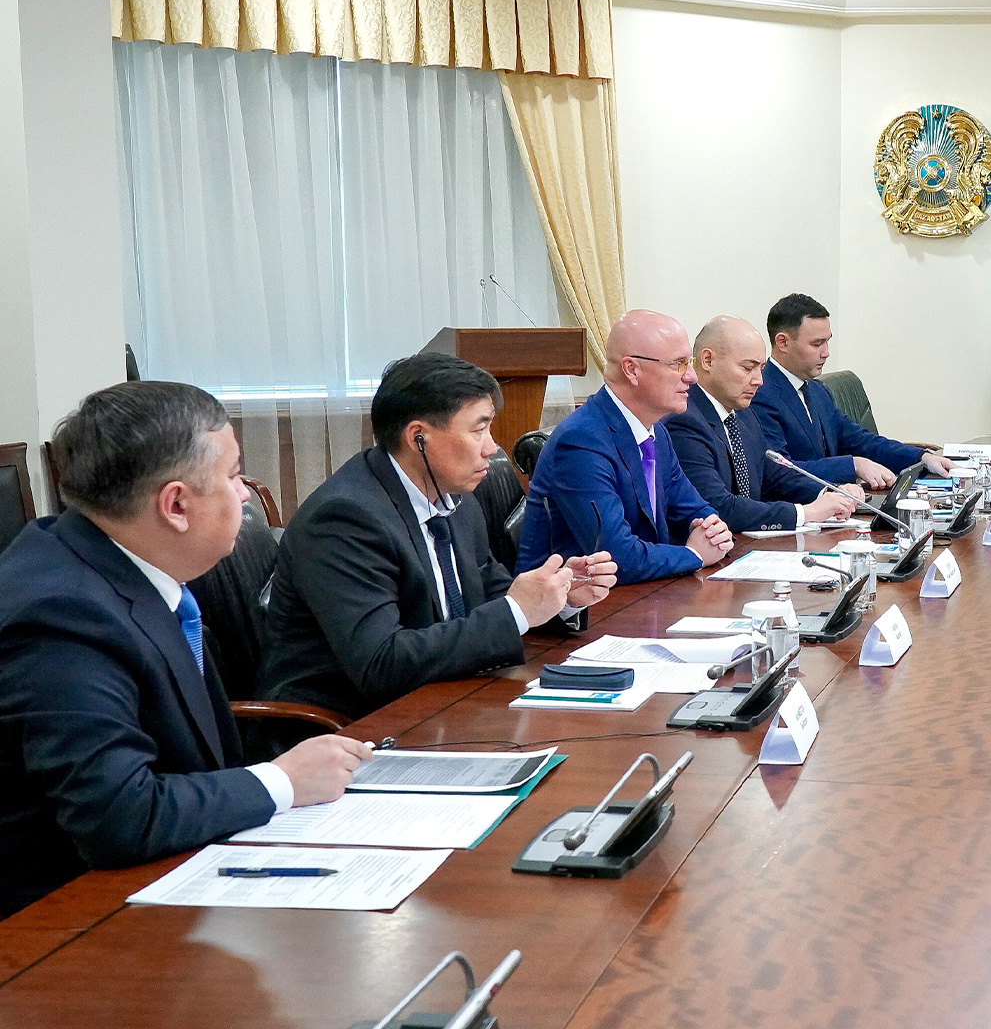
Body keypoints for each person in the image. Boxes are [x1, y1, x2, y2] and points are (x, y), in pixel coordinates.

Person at [0, 382, 374, 915]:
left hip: (168, 875)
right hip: (63, 921)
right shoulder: (60, 614)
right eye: (233, 475)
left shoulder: (116, 563)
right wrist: (283, 781)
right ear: (175, 504)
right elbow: (119, 817)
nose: (245, 494)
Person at [260, 354, 616, 719]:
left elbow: (493, 594)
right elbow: (380, 663)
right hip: (349, 725)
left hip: (440, 699)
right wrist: (516, 611)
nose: (492, 447)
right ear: (419, 438)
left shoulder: (455, 499)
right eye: (478, 430)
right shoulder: (345, 519)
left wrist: (558, 597)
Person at [518, 310, 734, 583]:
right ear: (632, 369)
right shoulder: (581, 441)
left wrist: (712, 530)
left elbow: (694, 509)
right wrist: (695, 554)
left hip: (641, 592)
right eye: (678, 364)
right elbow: (615, 556)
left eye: (688, 362)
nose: (691, 376)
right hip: (574, 603)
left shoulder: (657, 433)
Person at [662, 315, 862, 533]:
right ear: (708, 361)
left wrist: (827, 493)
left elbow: (772, 474)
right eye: (748, 368)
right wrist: (805, 513)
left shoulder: (743, 413)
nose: (759, 380)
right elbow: (718, 506)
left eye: (761, 368)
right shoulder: (684, 420)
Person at [750, 292, 953, 489]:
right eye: (817, 344)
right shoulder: (759, 394)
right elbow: (780, 471)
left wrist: (922, 457)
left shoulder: (818, 391)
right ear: (783, 342)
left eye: (827, 341)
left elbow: (861, 441)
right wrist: (853, 465)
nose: (826, 353)